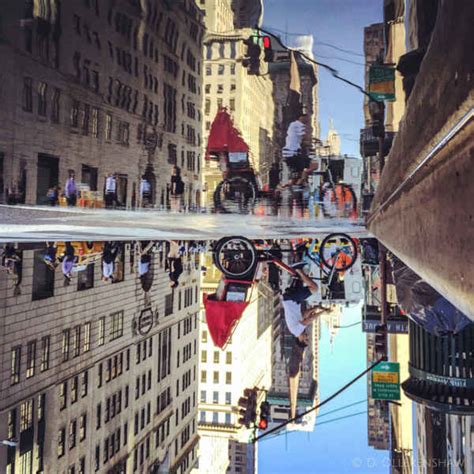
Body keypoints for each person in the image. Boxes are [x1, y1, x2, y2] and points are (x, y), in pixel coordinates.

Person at [282, 265, 327, 344]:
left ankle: (298, 269)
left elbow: (309, 319)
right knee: (301, 277)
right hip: (292, 299)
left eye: (306, 339)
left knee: (314, 288)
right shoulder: (296, 328)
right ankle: (298, 264)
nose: (307, 336)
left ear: (300, 339)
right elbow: (306, 314)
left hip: (292, 299)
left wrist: (322, 313)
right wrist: (317, 308)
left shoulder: (297, 331)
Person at [281, 114, 319, 187]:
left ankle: (294, 183)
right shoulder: (298, 125)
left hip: (289, 153)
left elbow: (302, 140)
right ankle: (300, 182)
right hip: (292, 153)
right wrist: (315, 140)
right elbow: (305, 138)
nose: (308, 121)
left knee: (297, 173)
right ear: (301, 118)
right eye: (307, 119)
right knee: (314, 164)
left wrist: (311, 142)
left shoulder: (293, 125)